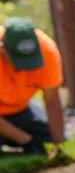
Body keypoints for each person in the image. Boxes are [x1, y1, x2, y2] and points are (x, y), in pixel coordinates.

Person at [0, 17, 65, 157]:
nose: (25, 70)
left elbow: (52, 101)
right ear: (3, 50)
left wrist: (59, 143)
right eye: (19, 61)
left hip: (20, 110)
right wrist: (26, 140)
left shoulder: (47, 51)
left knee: (45, 139)